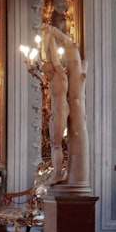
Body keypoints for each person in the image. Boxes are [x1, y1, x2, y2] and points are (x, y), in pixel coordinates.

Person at [43, 39, 69, 181]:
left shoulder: (60, 75)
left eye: (47, 73)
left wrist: (51, 37)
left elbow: (55, 59)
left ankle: (58, 174)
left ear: (52, 69)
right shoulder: (52, 80)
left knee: (57, 144)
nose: (46, 77)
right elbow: (49, 57)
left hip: (61, 111)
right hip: (54, 113)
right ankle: (55, 173)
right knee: (54, 144)